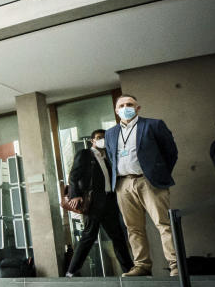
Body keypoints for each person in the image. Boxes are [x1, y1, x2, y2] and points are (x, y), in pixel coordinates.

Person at [105, 94, 179, 276]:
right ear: (116, 111)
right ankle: (142, 266)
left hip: (149, 182)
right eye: (121, 105)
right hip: (123, 184)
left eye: (129, 104)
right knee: (133, 228)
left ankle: (176, 265)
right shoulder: (111, 133)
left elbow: (171, 152)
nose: (125, 107)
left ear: (138, 108)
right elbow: (110, 157)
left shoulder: (153, 125)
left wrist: (157, 173)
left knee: (163, 224)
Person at [64, 129, 135, 277]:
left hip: (109, 202)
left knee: (118, 236)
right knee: (89, 236)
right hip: (94, 202)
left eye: (104, 138)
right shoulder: (85, 154)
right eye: (99, 138)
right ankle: (71, 271)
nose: (102, 140)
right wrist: (75, 195)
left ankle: (129, 270)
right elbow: (73, 175)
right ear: (93, 141)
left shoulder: (107, 157)